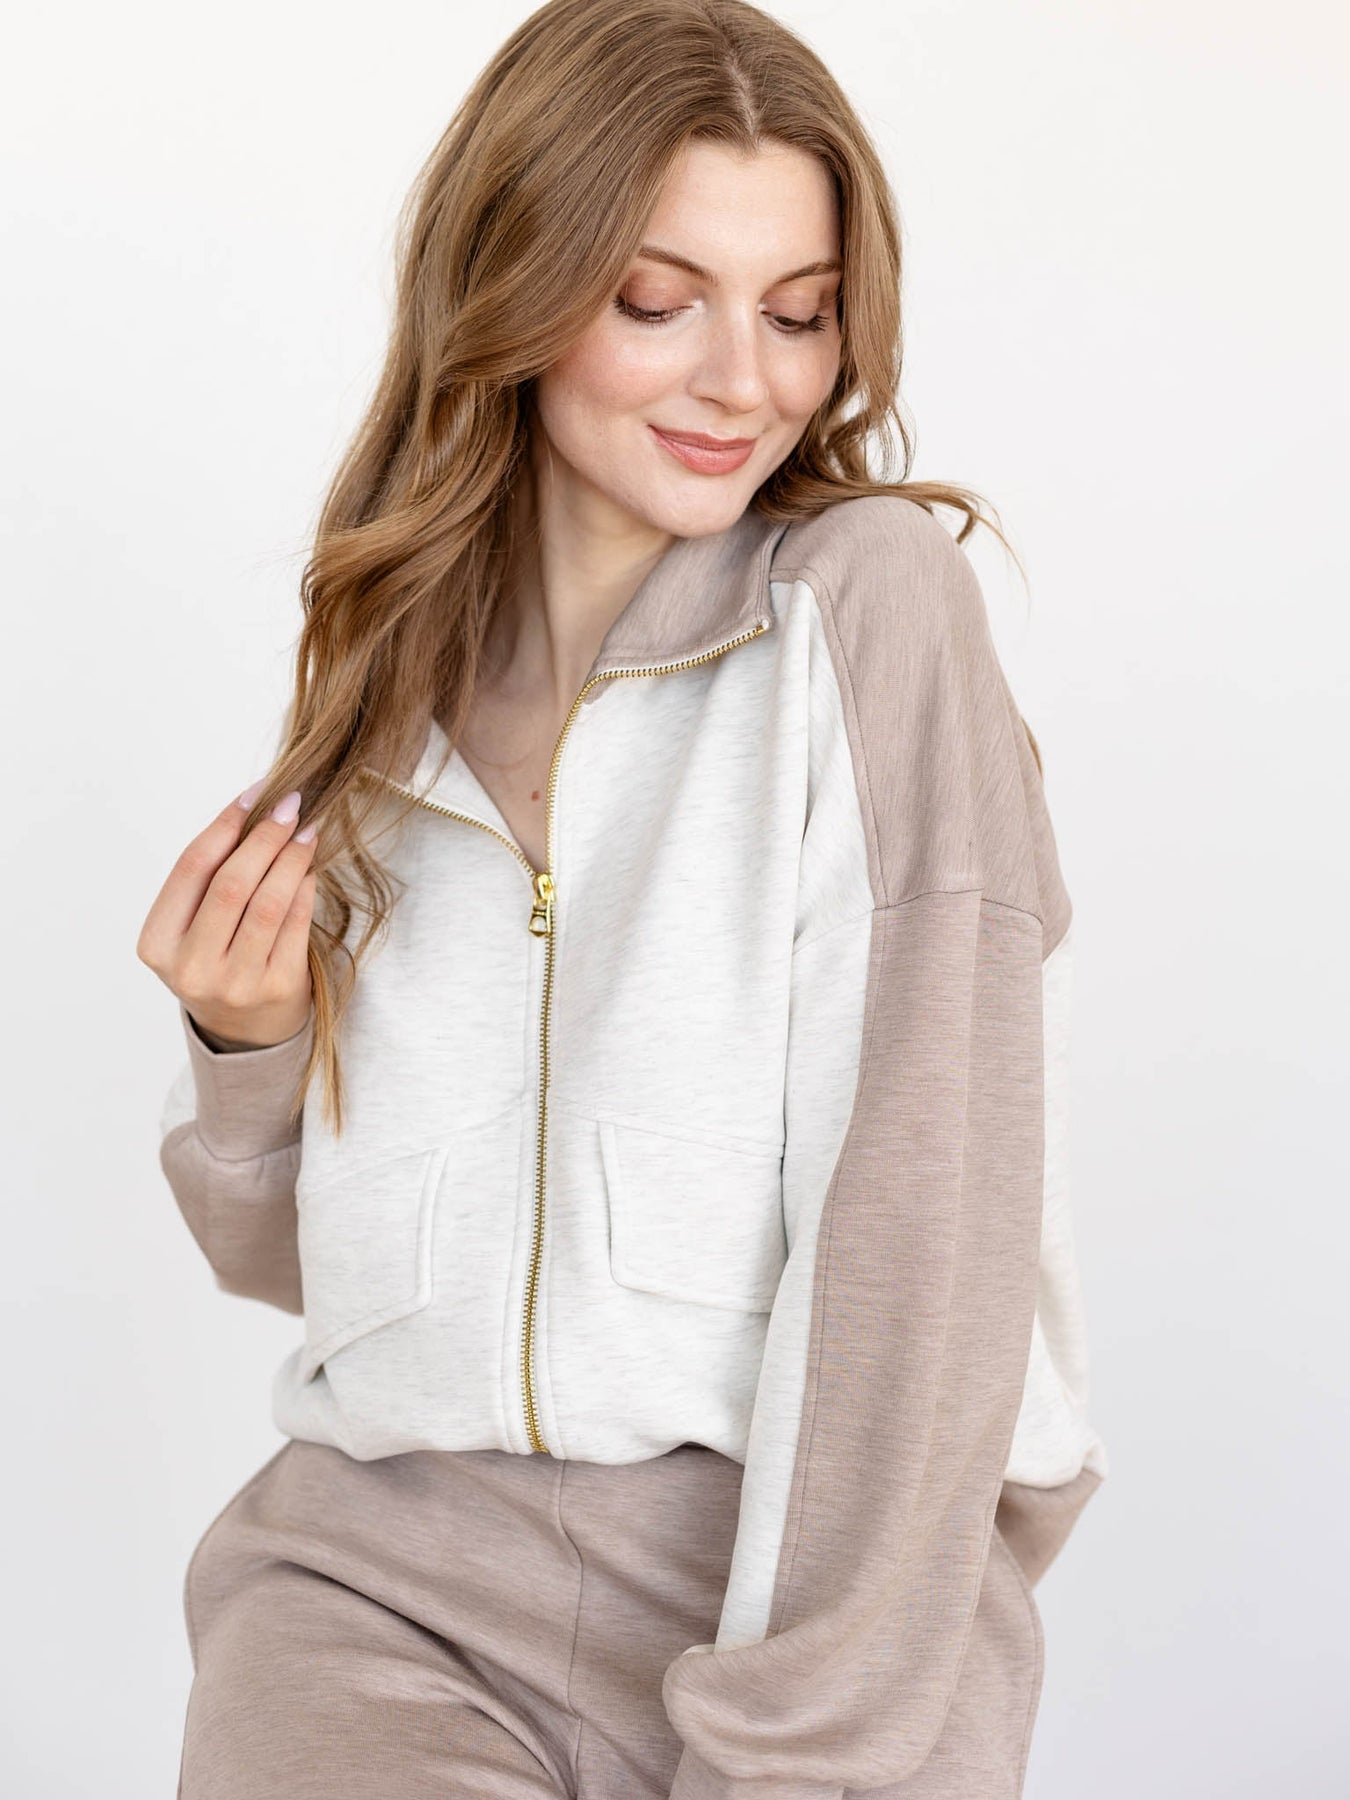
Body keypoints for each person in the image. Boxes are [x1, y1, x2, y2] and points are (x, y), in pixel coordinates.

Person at [137, 1, 1110, 1794]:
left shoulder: (865, 613)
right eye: (659, 302)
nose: (744, 379)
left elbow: (929, 1228)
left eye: (798, 312)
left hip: (805, 1592)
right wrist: (245, 1048)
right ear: (508, 290)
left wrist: (800, 1747)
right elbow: (322, 1277)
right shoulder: (383, 698)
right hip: (381, 1591)